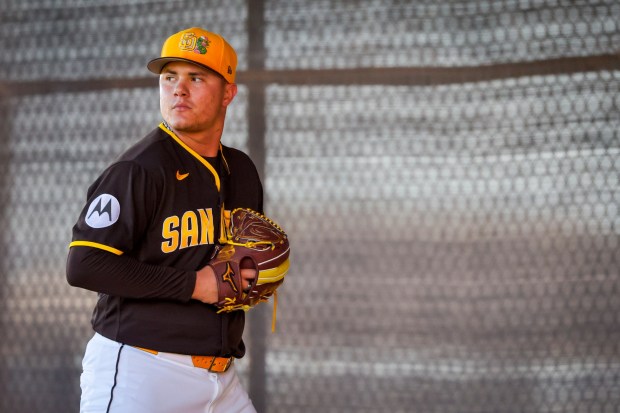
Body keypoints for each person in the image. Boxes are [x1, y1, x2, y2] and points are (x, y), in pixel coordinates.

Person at [66, 27, 262, 413]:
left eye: (196, 77)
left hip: (221, 380)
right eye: (169, 77)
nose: (179, 89)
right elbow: (84, 265)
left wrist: (255, 274)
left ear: (228, 93)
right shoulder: (138, 169)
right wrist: (194, 285)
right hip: (141, 371)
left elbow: (241, 261)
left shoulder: (240, 171)